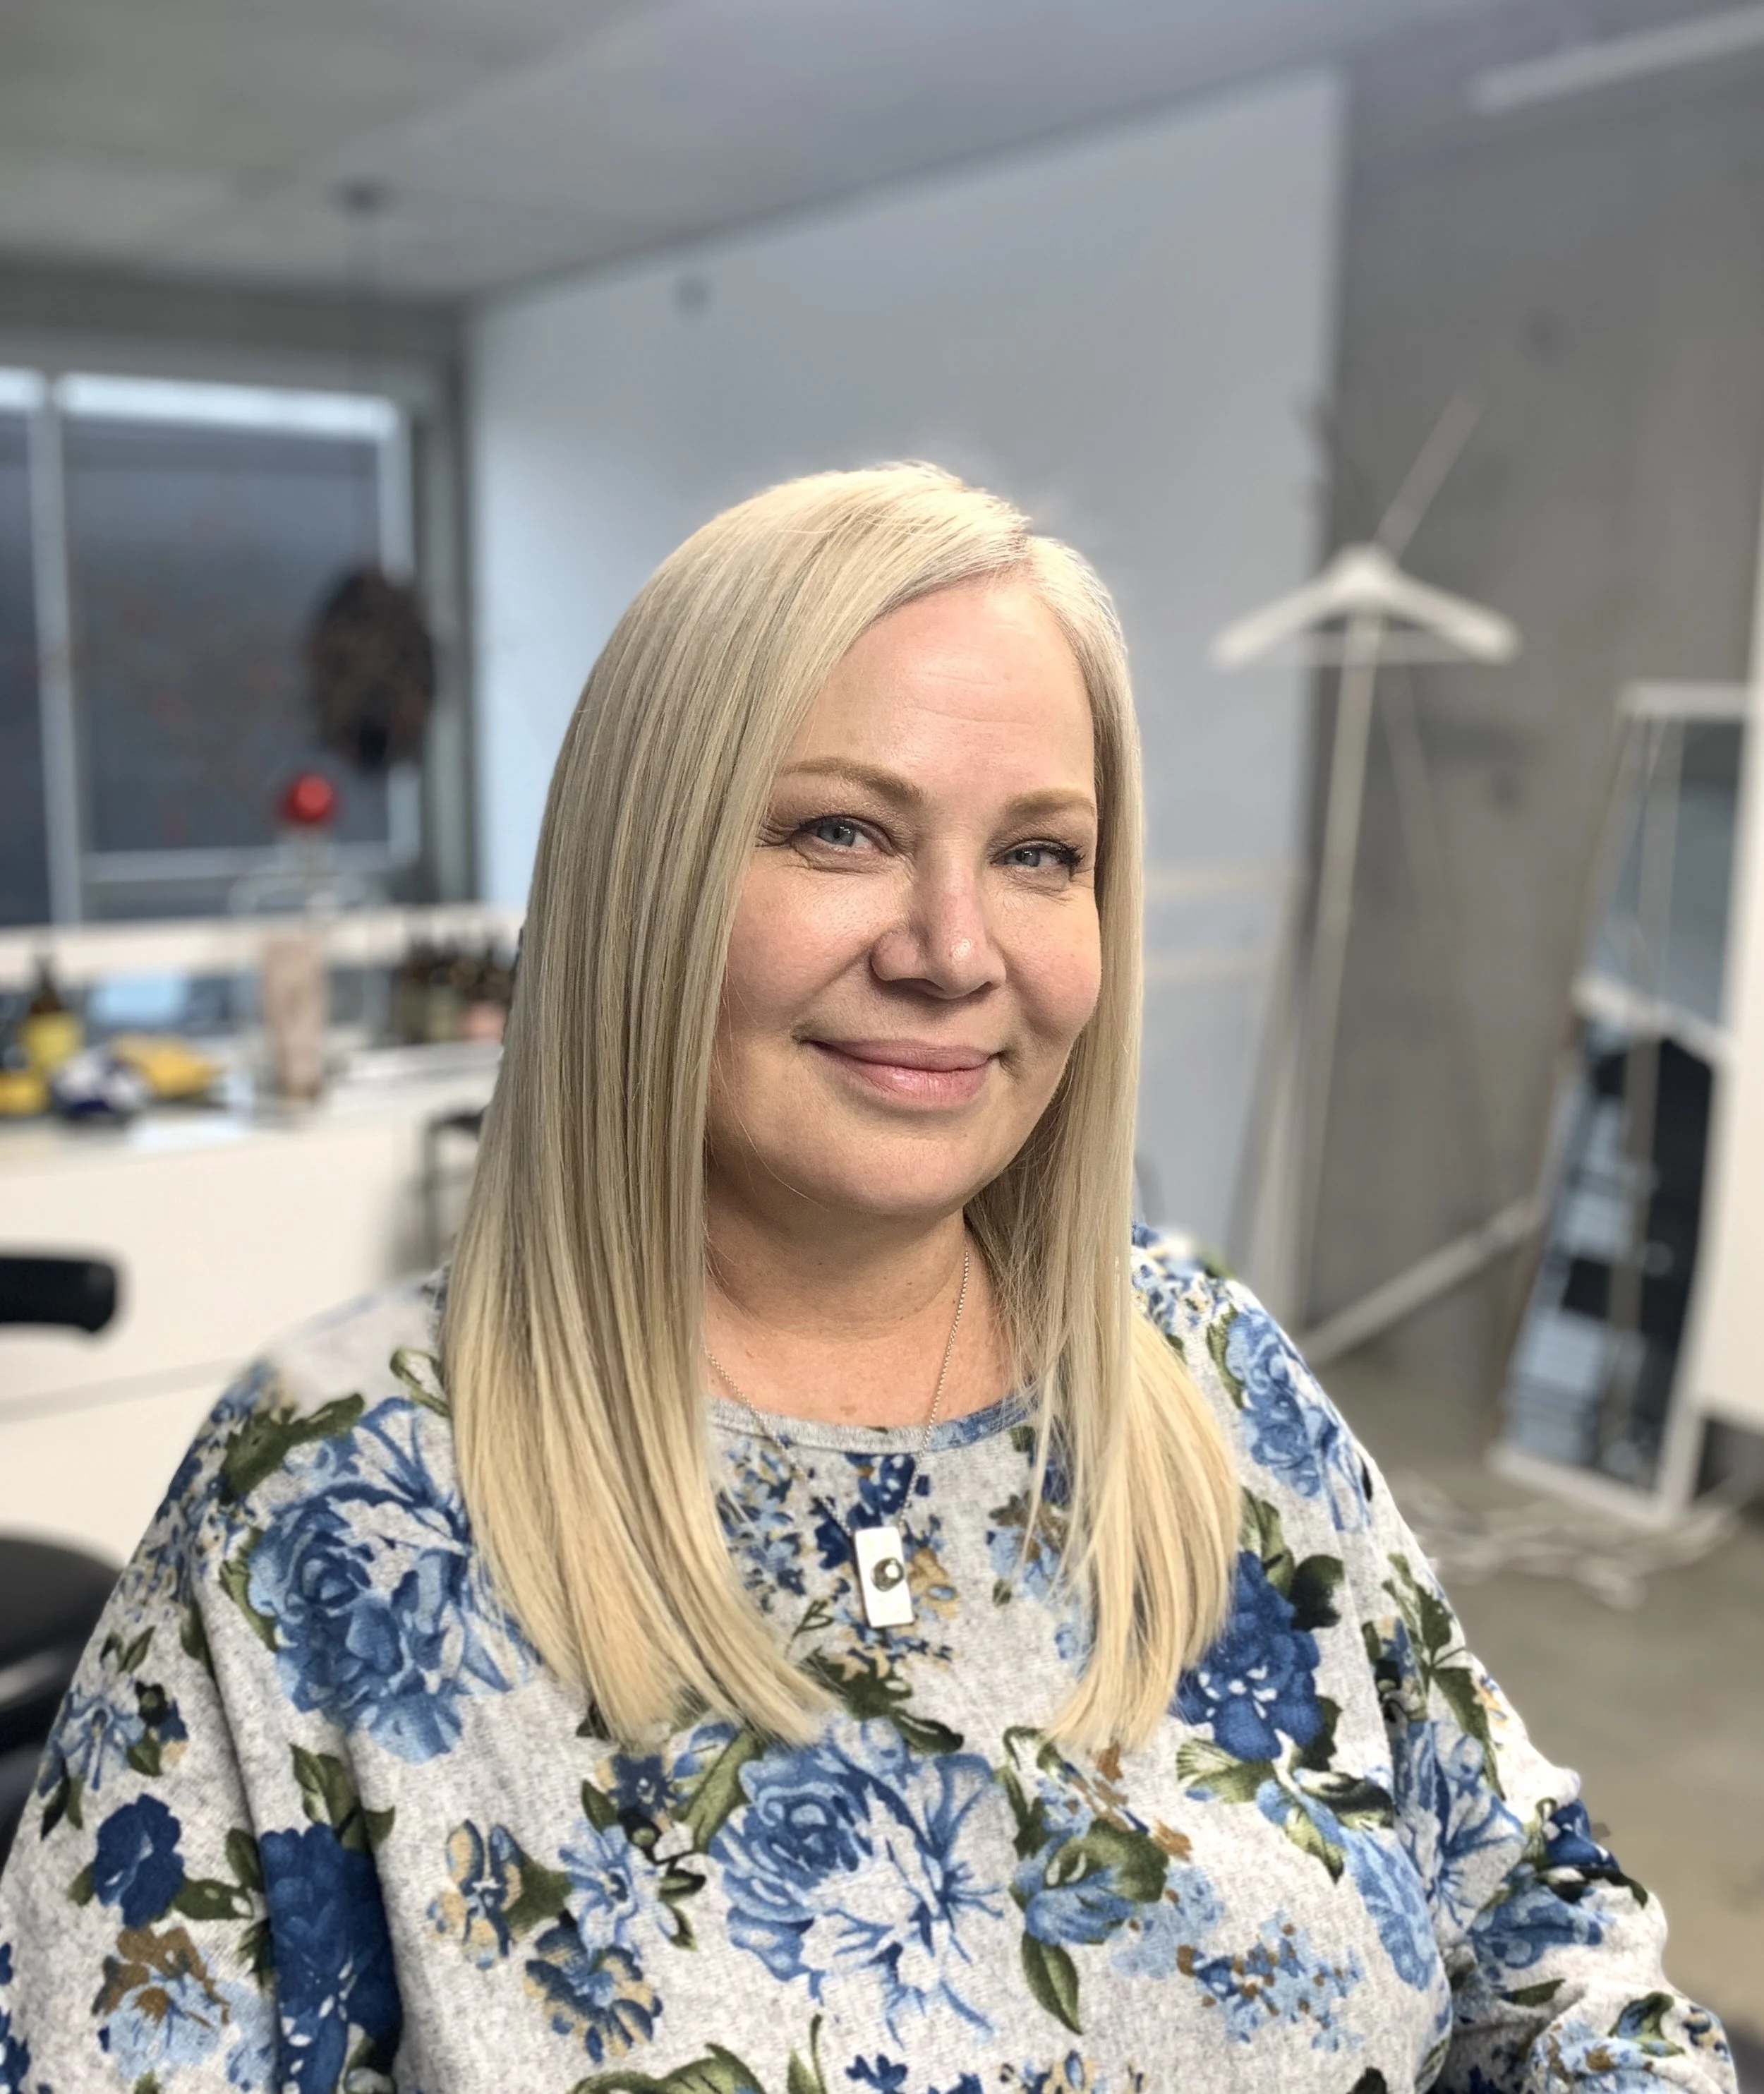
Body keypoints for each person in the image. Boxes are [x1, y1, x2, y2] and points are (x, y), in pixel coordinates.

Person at [0, 466, 1735, 2094]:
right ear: (642, 880)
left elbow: (1550, 1941)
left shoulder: (1205, 1373)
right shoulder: (329, 1508)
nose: (953, 951)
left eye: (1040, 854)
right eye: (841, 830)